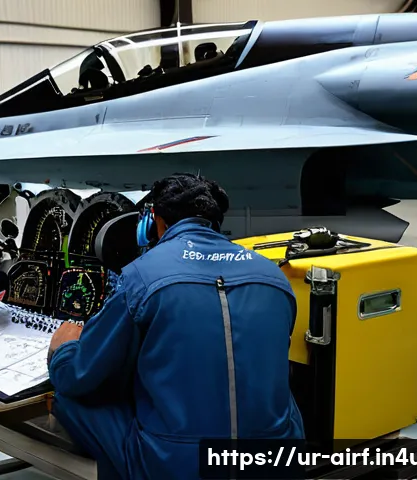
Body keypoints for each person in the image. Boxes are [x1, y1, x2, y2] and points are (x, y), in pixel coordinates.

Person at [47, 173, 305, 479]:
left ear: (154, 222)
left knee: (69, 392)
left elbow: (81, 375)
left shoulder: (141, 278)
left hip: (178, 465)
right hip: (272, 459)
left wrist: (63, 350)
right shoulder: (274, 276)